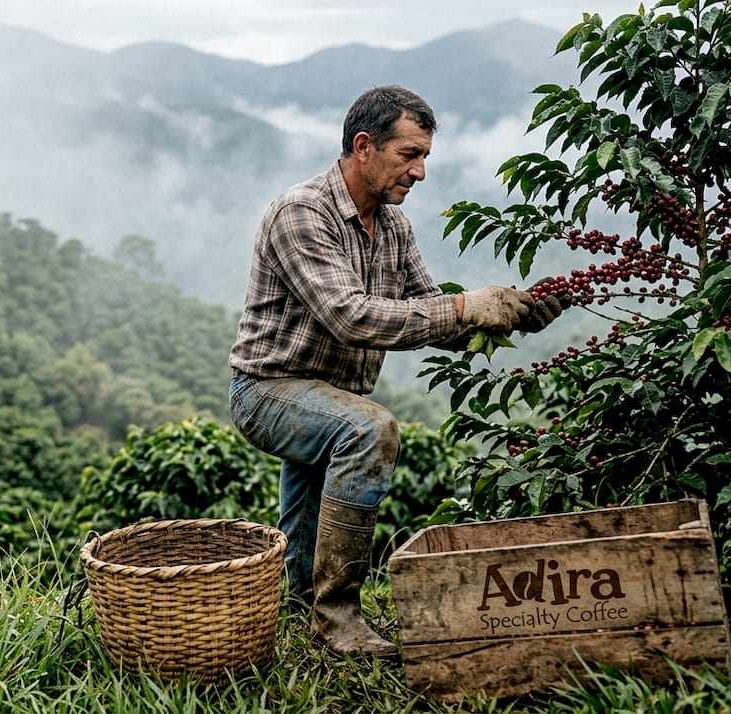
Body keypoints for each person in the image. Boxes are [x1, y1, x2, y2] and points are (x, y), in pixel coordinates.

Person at [227, 85, 563, 658]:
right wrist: (464, 305)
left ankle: (292, 616)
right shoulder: (302, 213)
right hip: (268, 391)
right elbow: (350, 318)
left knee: (304, 534)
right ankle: (339, 625)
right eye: (410, 154)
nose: (421, 171)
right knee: (368, 430)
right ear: (364, 146)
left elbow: (431, 314)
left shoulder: (394, 228)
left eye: (424, 156)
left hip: (330, 396)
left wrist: (507, 317)